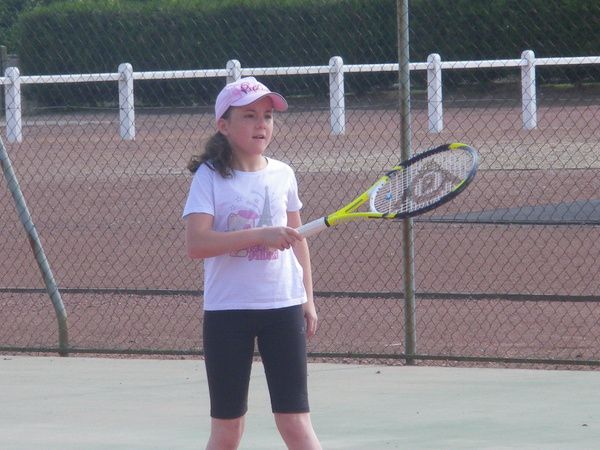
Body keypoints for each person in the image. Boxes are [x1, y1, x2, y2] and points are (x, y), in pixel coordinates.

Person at [183, 77, 322, 450]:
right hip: (228, 312)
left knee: (295, 422)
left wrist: (307, 298)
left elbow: (297, 241)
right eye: (249, 116)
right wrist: (259, 235)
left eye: (267, 116)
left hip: (283, 307)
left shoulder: (283, 174)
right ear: (223, 126)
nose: (262, 124)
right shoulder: (208, 177)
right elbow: (197, 243)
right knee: (228, 430)